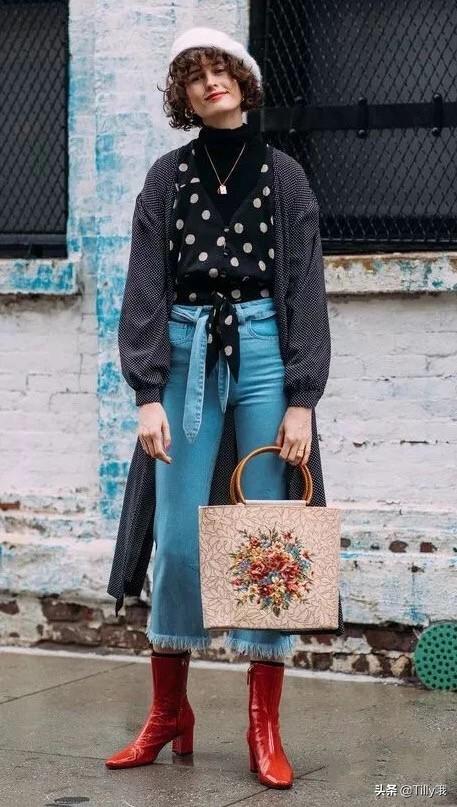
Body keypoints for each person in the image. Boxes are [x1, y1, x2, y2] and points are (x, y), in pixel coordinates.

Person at [105, 26, 333, 790]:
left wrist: (301, 400)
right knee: (176, 538)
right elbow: (144, 284)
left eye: (219, 68)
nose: (209, 82)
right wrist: (147, 393)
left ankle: (263, 726)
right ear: (183, 96)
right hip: (184, 350)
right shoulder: (166, 178)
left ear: (242, 77)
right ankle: (168, 712)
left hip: (265, 351)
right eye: (193, 75)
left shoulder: (284, 177)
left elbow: (304, 287)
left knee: (267, 536)